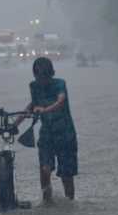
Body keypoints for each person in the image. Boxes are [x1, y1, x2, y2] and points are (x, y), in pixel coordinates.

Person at [16, 57, 78, 205]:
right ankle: (47, 203)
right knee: (44, 169)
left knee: (66, 175)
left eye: (44, 76)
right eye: (37, 76)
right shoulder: (34, 87)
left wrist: (44, 110)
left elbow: (60, 101)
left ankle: (70, 204)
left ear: (50, 74)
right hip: (47, 135)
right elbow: (32, 105)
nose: (41, 79)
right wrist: (16, 124)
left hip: (65, 134)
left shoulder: (60, 84)